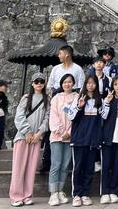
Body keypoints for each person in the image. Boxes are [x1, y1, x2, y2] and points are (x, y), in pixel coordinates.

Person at [9, 72, 49, 207]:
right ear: (32, 83)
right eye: (36, 81)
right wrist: (27, 132)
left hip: (36, 138)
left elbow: (47, 118)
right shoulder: (26, 98)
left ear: (44, 83)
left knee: (31, 168)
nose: (39, 84)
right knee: (19, 168)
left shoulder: (46, 99)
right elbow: (19, 117)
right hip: (23, 137)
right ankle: (16, 196)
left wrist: (39, 133)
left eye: (41, 81)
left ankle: (27, 195)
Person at [68, 75, 104, 207]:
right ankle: (77, 194)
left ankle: (85, 194)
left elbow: (104, 116)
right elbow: (71, 116)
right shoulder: (78, 98)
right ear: (85, 84)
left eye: (93, 83)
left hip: (93, 139)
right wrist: (79, 106)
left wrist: (105, 103)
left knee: (89, 168)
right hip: (79, 139)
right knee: (78, 168)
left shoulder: (99, 100)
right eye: (88, 83)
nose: (90, 85)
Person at [48, 73, 76, 206]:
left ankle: (60, 191)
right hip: (57, 136)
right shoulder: (56, 98)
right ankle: (53, 193)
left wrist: (69, 132)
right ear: (61, 84)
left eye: (69, 82)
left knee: (65, 165)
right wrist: (61, 131)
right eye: (65, 82)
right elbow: (53, 117)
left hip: (70, 137)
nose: (67, 84)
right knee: (56, 164)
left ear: (73, 83)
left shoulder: (77, 97)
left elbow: (77, 117)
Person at [100, 76, 118, 204]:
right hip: (108, 137)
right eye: (115, 84)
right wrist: (107, 101)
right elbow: (103, 116)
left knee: (117, 166)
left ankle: (113, 191)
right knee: (106, 165)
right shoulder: (109, 99)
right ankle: (105, 192)